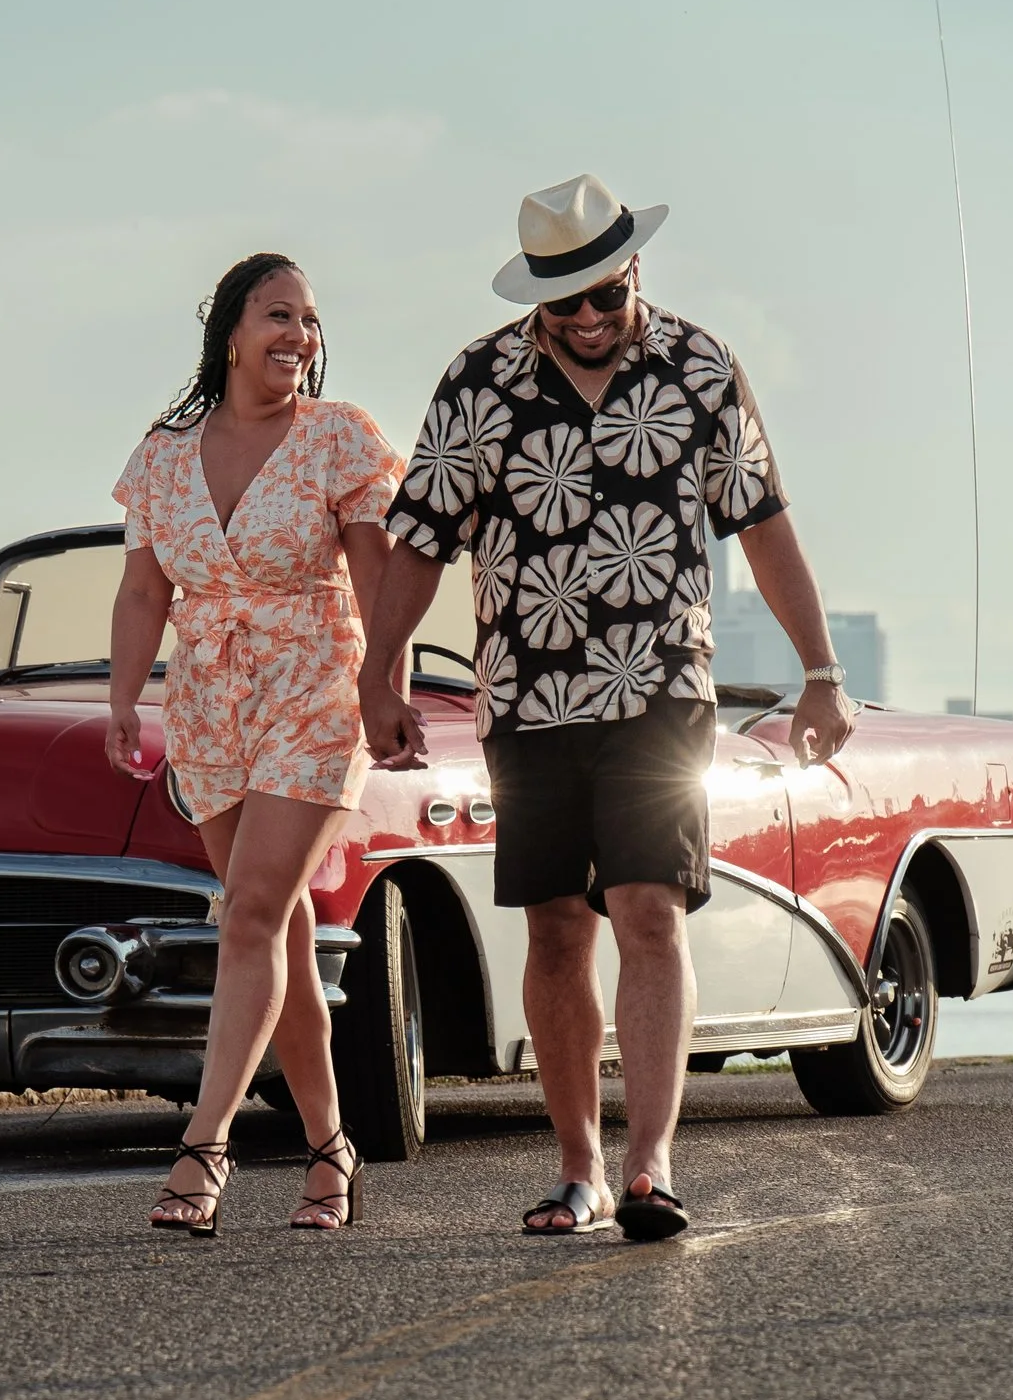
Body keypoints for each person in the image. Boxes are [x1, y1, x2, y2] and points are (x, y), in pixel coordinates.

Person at [355, 174, 855, 1241]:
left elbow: (760, 522)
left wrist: (821, 668)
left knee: (648, 909)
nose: (586, 319)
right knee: (553, 931)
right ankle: (576, 1168)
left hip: (659, 688)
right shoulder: (478, 379)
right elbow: (419, 539)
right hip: (526, 696)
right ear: (535, 298)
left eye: (603, 296)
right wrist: (380, 673)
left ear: (637, 271)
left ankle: (650, 1166)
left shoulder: (701, 365)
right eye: (562, 303)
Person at [105, 252, 403, 1236]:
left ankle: (205, 1144)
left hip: (315, 691)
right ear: (230, 328)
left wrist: (383, 688)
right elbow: (145, 589)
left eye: (310, 321)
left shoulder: (340, 438)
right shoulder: (162, 452)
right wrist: (121, 702)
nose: (299, 338)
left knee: (252, 911)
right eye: (279, 316)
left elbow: (378, 577)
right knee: (272, 933)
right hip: (208, 703)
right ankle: (329, 1153)